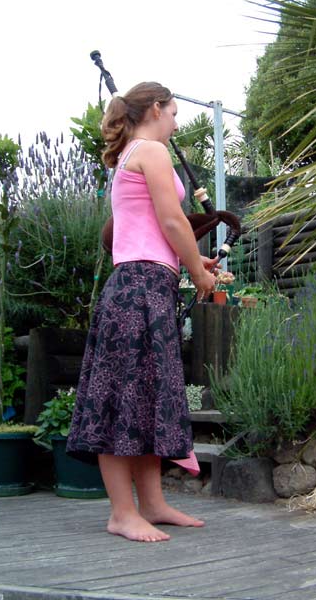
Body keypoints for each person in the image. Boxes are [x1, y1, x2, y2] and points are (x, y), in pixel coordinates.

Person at [66, 81, 217, 543]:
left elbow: (152, 229)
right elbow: (172, 220)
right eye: (173, 112)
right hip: (138, 290)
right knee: (119, 399)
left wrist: (191, 261)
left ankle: (151, 504)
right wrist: (199, 273)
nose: (175, 121)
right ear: (155, 108)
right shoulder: (151, 150)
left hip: (143, 285)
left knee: (144, 396)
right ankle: (121, 513)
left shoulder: (133, 154)